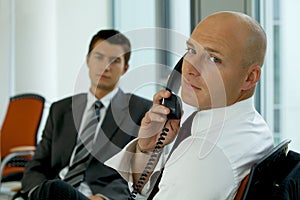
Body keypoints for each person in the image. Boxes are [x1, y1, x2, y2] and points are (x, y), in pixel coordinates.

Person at [105, 11, 274, 199]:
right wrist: (148, 149)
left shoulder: (204, 155)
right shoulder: (252, 126)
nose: (190, 68)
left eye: (214, 59)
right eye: (192, 51)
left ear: (250, 78)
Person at [19, 29, 152, 200]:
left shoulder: (140, 111)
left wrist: (105, 197)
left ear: (125, 69)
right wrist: (39, 192)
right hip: (52, 193)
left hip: (95, 196)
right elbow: (37, 165)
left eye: (115, 61)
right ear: (88, 60)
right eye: (99, 57)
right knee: (54, 188)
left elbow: (137, 174)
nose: (106, 66)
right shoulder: (60, 109)